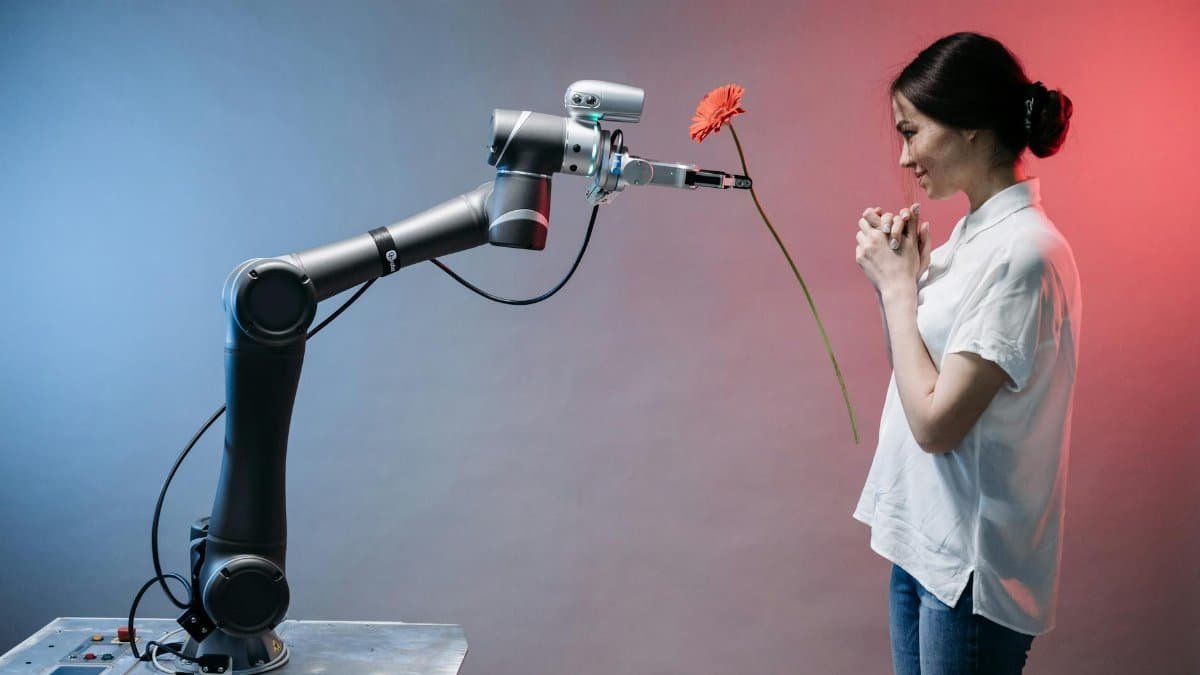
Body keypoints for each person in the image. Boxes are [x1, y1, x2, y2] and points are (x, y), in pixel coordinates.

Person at [851, 32, 1081, 675]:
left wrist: (899, 291)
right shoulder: (974, 238)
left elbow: (935, 425)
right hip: (925, 544)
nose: (904, 157)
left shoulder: (1024, 253)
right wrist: (901, 280)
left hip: (969, 576)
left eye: (911, 132)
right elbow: (919, 381)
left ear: (971, 125)